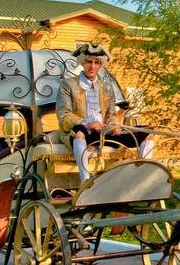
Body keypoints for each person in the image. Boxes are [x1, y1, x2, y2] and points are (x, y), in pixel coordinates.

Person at [56, 43, 154, 182]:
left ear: (100, 65)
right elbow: (64, 114)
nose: (92, 66)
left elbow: (110, 115)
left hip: (104, 134)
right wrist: (88, 124)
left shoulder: (106, 87)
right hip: (82, 133)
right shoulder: (68, 84)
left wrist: (114, 124)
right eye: (89, 61)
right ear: (83, 63)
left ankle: (142, 179)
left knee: (148, 133)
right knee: (80, 132)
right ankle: (86, 181)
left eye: (96, 62)